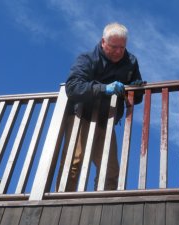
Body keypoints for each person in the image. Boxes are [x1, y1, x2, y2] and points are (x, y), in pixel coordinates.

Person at [57, 22, 145, 191]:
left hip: (106, 121)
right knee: (74, 163)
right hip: (81, 117)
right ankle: (63, 200)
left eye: (122, 47)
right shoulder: (87, 59)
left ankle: (104, 204)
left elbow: (136, 97)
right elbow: (73, 87)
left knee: (110, 170)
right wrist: (104, 88)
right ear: (103, 42)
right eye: (114, 46)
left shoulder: (131, 62)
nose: (119, 51)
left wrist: (136, 89)